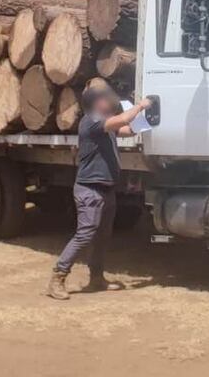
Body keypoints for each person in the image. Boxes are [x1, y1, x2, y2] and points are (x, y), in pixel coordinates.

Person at [46, 87, 151, 300]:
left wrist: (147, 117)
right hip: (90, 189)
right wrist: (140, 105)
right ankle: (57, 277)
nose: (109, 101)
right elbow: (120, 121)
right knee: (85, 234)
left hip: (105, 188)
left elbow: (128, 130)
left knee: (102, 237)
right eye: (105, 99)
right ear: (95, 103)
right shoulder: (91, 121)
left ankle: (96, 278)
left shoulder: (105, 123)